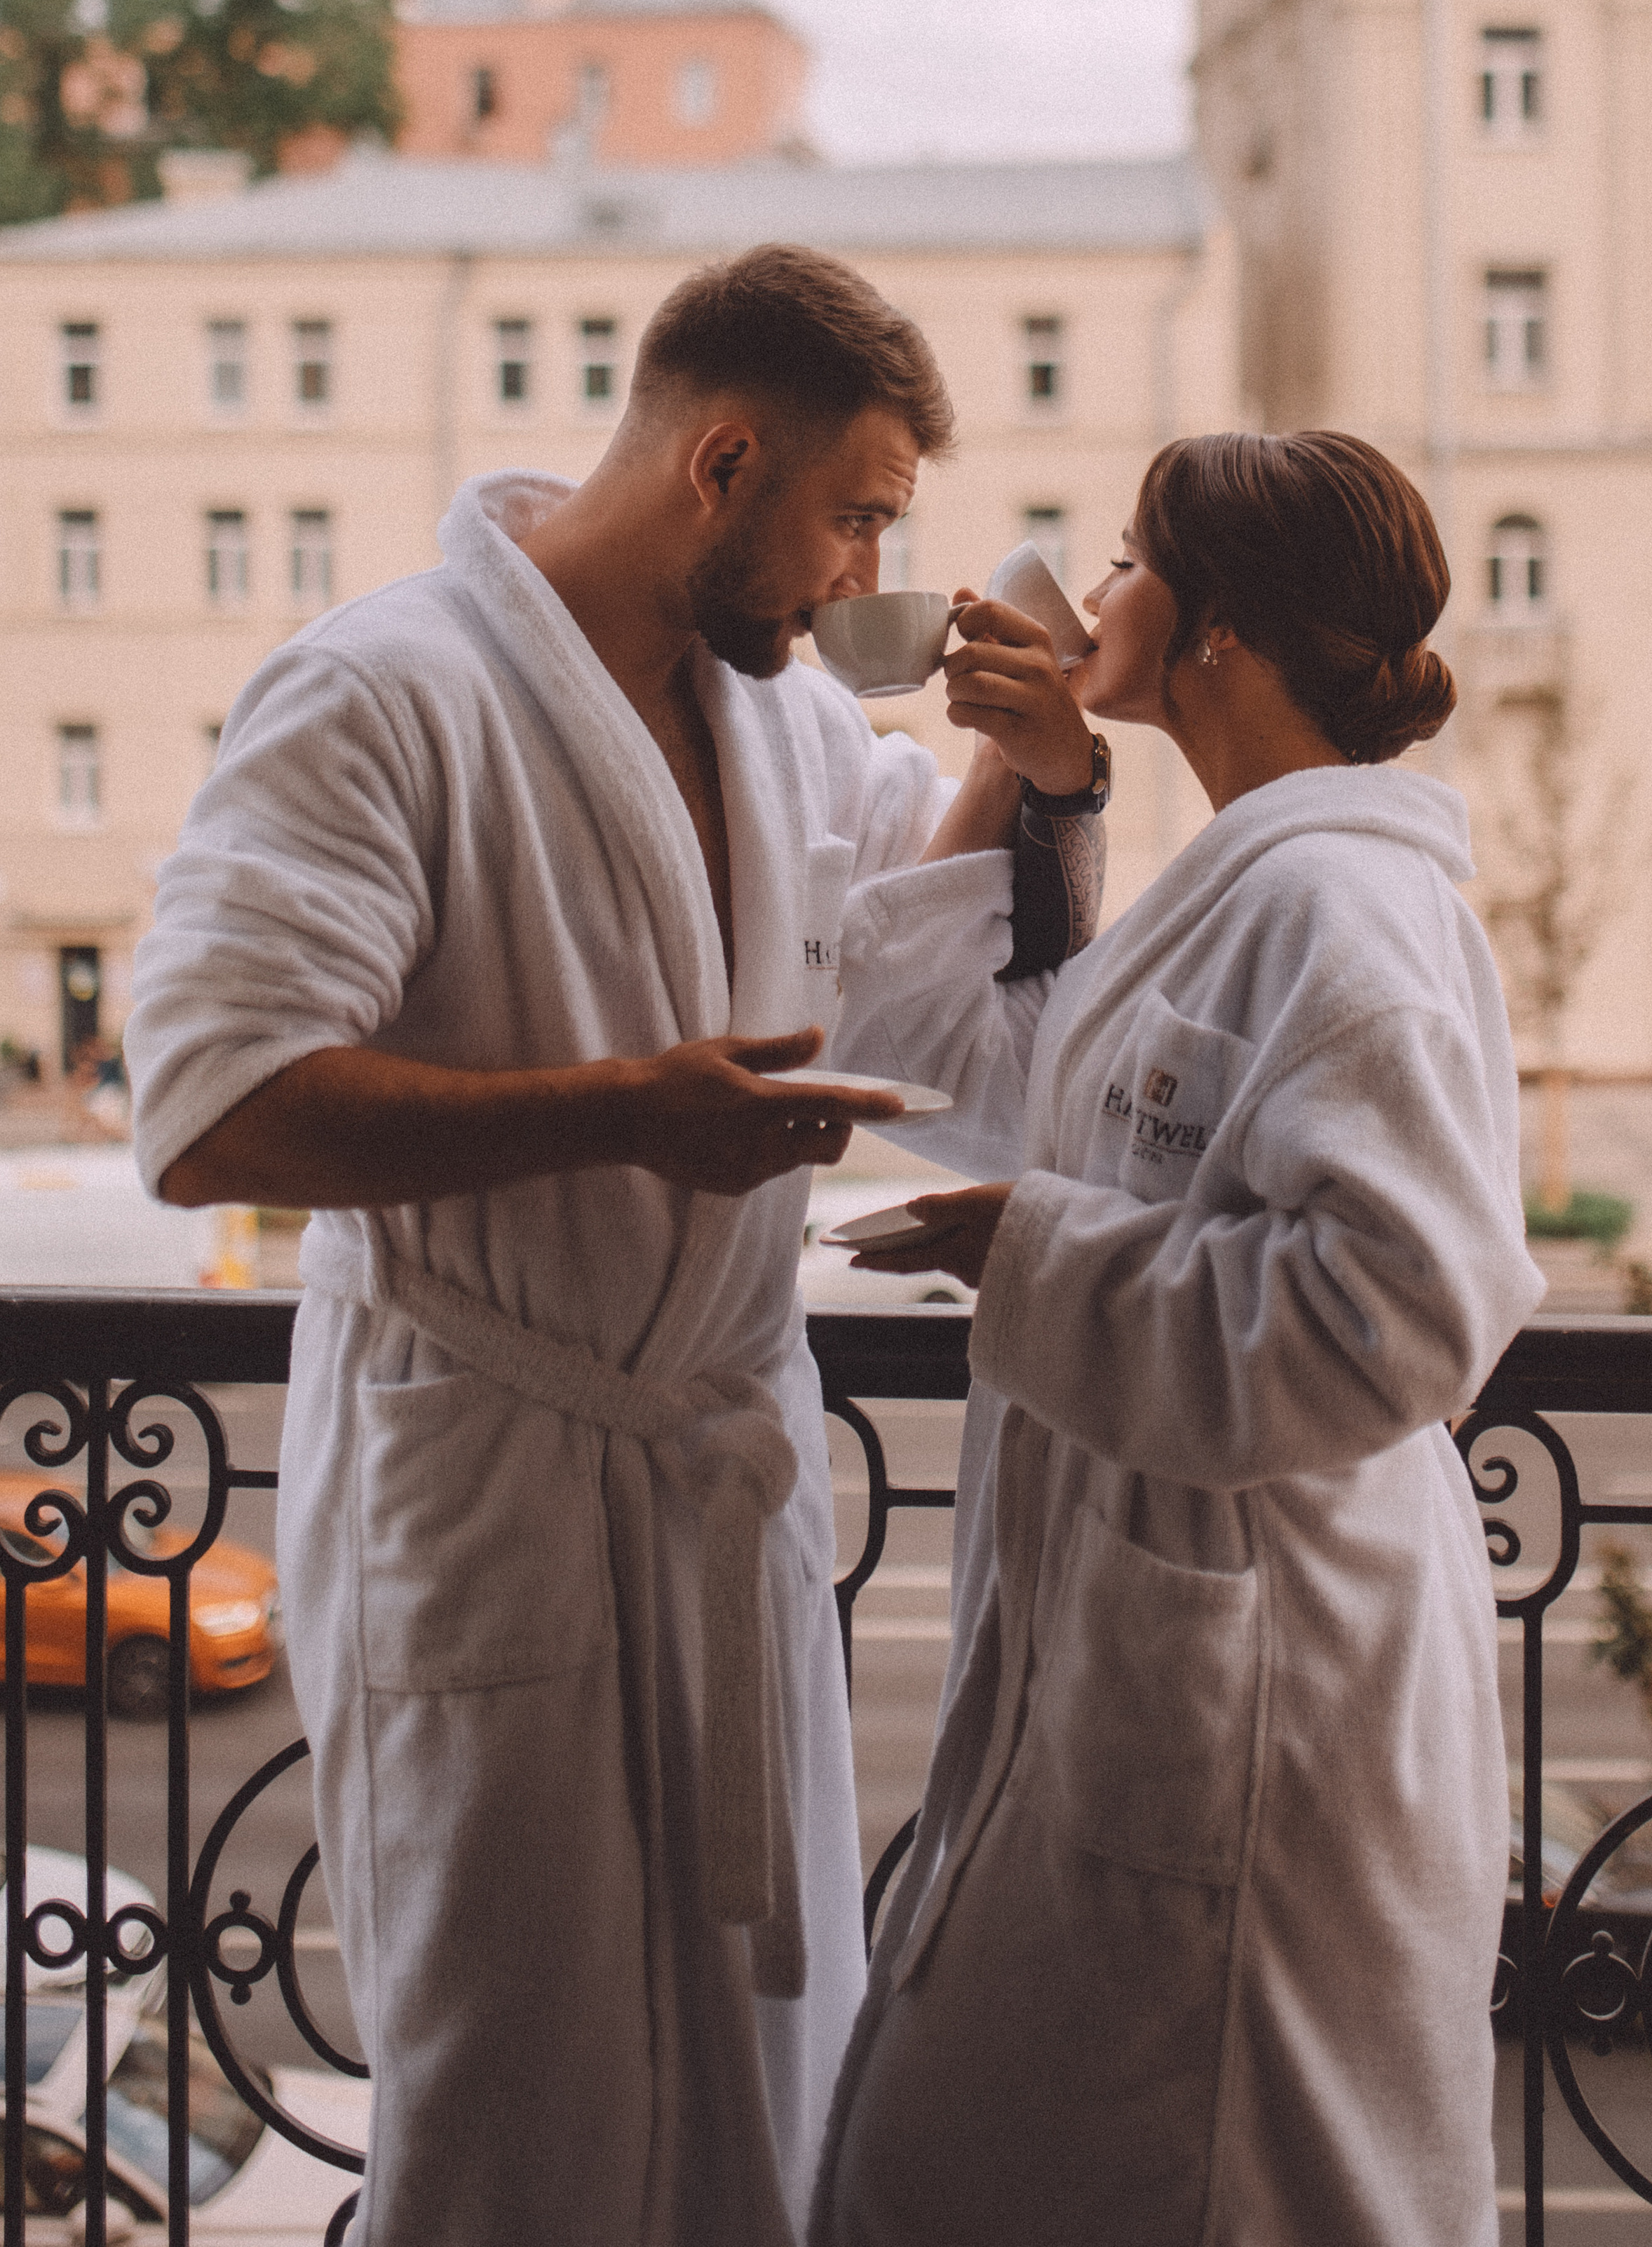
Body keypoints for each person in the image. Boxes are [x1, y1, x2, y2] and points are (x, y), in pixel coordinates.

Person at [123, 244, 1102, 2247]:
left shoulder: (789, 724)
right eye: (856, 518)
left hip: (717, 1488)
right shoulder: (385, 690)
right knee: (520, 2108)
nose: (866, 575)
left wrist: (1042, 767)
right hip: (492, 1480)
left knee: (763, 2080)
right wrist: (629, 1114)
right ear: (722, 462)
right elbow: (210, 1107)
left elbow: (928, 1023)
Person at [814, 429, 1547, 2247]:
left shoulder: (1340, 907)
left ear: (1217, 624)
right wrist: (1040, 774)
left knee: (1196, 2170)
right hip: (1161, 1637)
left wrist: (1033, 1254)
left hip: (1259, 1670)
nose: (1095, 590)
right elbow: (965, 1063)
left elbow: (1404, 1314)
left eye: (1133, 562)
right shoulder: (1249, 888)